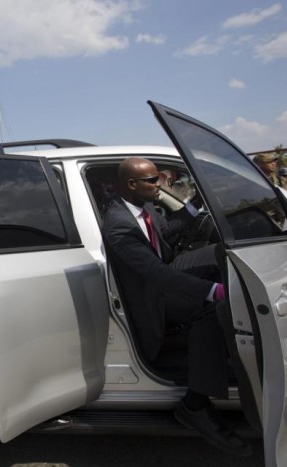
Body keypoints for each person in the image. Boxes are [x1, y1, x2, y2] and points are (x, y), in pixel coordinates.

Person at [101, 157, 251, 457]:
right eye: (154, 180)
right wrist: (214, 292)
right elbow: (158, 275)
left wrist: (195, 205)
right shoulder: (118, 224)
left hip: (161, 272)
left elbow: (165, 233)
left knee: (221, 254)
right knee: (209, 310)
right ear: (132, 185)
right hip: (147, 295)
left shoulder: (144, 210)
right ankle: (195, 405)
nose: (161, 184)